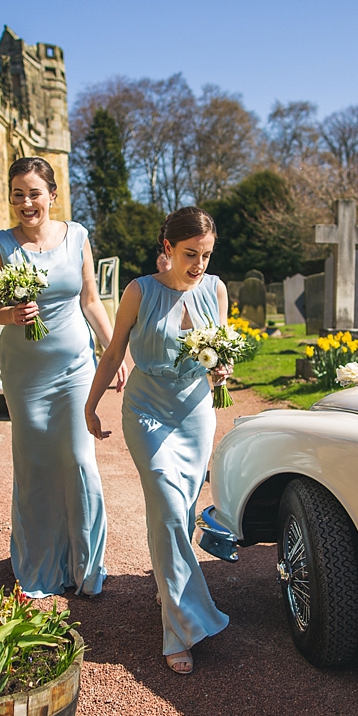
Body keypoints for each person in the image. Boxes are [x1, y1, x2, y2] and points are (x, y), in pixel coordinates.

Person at [84, 207, 230, 675]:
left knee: (181, 514)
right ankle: (180, 626)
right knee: (168, 507)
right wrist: (91, 404)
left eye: (206, 255)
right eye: (191, 254)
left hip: (195, 415)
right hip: (147, 413)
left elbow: (219, 353)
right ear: (168, 249)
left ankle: (168, 590)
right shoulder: (139, 291)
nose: (199, 265)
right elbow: (113, 352)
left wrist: (223, 370)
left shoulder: (216, 290)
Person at [0, 157, 125, 598]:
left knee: (80, 462)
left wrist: (113, 351)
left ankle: (86, 566)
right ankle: (39, 567)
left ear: (53, 196)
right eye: (18, 194)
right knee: (36, 467)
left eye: (35, 193)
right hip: (25, 375)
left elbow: (91, 300)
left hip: (75, 368)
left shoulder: (77, 235)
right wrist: (12, 313)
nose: (27, 202)